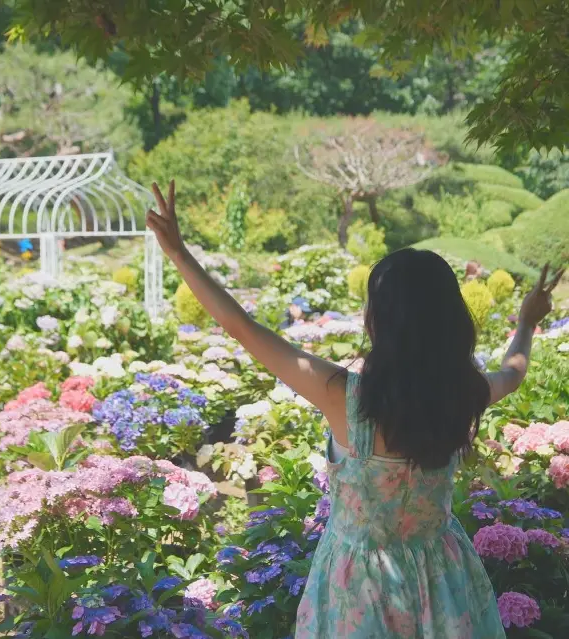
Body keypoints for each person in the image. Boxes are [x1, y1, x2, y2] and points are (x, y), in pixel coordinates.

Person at [146, 181, 564, 639]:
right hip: (442, 577)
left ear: (380, 319)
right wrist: (526, 321)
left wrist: (180, 255)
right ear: (448, 320)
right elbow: (514, 371)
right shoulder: (461, 391)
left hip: (359, 588)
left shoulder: (344, 396)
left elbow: (242, 328)